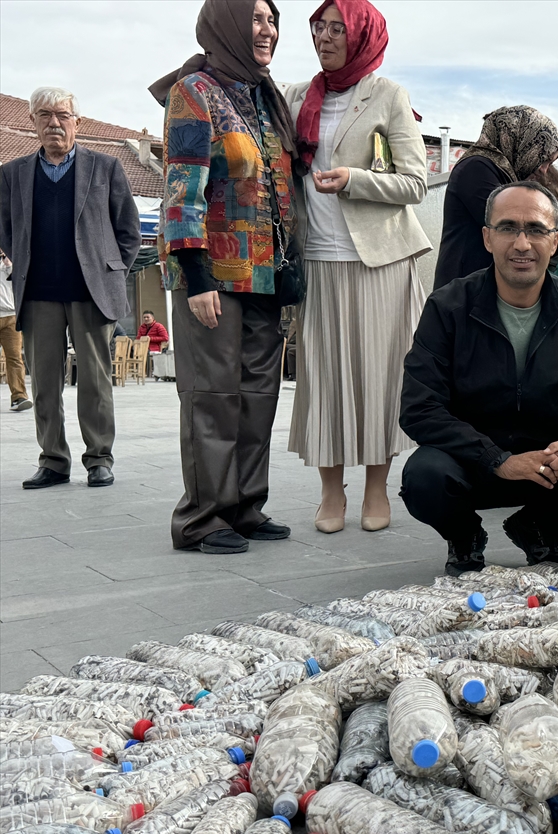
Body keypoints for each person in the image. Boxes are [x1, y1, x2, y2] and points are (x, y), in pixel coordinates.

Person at [400, 181, 558, 575]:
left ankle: (538, 528)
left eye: (536, 229)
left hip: (553, 467)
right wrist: (497, 460)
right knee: (424, 476)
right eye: (508, 228)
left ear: (555, 241)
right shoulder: (448, 307)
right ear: (487, 238)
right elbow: (419, 407)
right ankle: (464, 537)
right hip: (475, 464)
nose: (522, 244)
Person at [151, 0, 300, 554]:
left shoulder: (264, 97)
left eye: (271, 20)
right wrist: (195, 277)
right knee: (212, 396)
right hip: (212, 272)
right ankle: (202, 517)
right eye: (256, 19)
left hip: (265, 273)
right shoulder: (196, 91)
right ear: (227, 25)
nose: (267, 31)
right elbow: (182, 187)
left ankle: (244, 506)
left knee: (259, 396)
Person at [285, 0, 431, 535]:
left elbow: (414, 183)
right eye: (318, 28)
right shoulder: (294, 96)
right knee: (322, 378)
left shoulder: (388, 95)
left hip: (379, 262)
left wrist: (354, 179)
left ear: (362, 35)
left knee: (378, 378)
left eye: (336, 29)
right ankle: (330, 490)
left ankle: (375, 487)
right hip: (317, 259)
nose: (324, 38)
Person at [0, 87, 139, 489]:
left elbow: (128, 230)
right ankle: (53, 460)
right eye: (44, 115)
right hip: (38, 292)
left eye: (63, 115)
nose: (54, 123)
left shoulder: (106, 166)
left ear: (77, 122)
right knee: (44, 383)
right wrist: (26, 259)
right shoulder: (12, 173)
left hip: (90, 293)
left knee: (94, 382)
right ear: (32, 121)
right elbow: (5, 229)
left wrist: (110, 273)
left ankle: (99, 458)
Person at [433, 106, 558, 290]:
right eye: (544, 159)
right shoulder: (476, 168)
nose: (544, 170)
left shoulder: (503, 172)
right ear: (525, 142)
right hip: (463, 292)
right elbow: (508, 221)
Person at [0, 252, 32, 411]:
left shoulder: (10, 263)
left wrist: (9, 263)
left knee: (15, 358)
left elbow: (19, 281)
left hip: (11, 316)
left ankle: (19, 397)